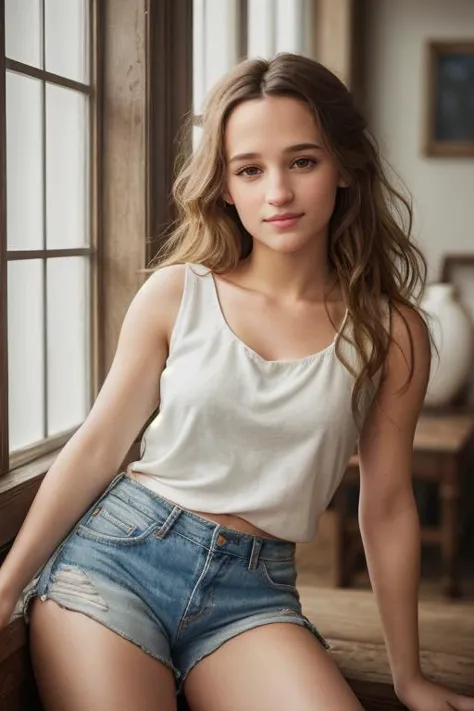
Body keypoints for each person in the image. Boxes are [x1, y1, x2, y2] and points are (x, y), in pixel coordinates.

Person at [0, 53, 472, 711]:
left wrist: (408, 675)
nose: (276, 192)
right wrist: (5, 587)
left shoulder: (391, 332)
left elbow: (388, 504)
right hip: (118, 562)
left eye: (302, 161)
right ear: (224, 186)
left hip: (253, 593)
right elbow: (99, 444)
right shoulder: (175, 294)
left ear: (345, 168)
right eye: (250, 169)